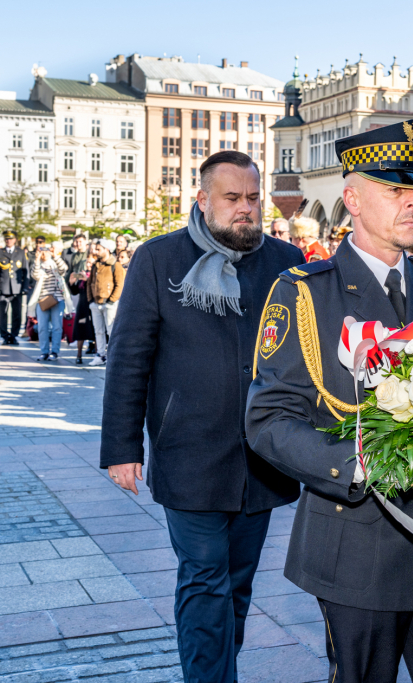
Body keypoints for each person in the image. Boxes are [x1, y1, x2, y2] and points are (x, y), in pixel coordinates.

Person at [246, 120, 413, 683]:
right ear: (353, 199)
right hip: (361, 540)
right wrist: (355, 462)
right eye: (395, 191)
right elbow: (268, 420)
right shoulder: (306, 292)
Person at [101, 150, 304, 683]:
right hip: (188, 452)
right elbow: (129, 358)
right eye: (232, 198)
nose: (245, 208)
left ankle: (218, 671)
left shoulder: (287, 262)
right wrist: (122, 448)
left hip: (263, 459)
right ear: (203, 200)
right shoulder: (158, 259)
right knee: (204, 579)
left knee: (236, 585)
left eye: (253, 198)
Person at [27, 241, 70, 361]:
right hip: (42, 300)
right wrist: (37, 260)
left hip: (57, 299)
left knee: (57, 327)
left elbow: (63, 269)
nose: (44, 253)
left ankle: (55, 352)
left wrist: (55, 256)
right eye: (42, 251)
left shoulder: (56, 263)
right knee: (42, 327)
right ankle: (44, 352)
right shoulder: (39, 264)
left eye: (46, 251)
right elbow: (35, 275)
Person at [86, 240, 124, 367]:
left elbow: (120, 284)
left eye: (99, 249)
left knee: (111, 330)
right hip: (96, 303)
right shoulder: (96, 265)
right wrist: (90, 300)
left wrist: (112, 300)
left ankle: (113, 356)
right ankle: (100, 355)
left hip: (109, 303)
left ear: (106, 249)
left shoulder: (115, 265)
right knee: (98, 331)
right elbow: (89, 282)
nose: (96, 251)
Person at [0, 230, 27, 345]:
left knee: (17, 314)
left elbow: (25, 271)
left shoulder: (20, 252)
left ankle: (14, 336)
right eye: (7, 238)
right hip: (3, 288)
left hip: (17, 288)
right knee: (2, 315)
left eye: (10, 238)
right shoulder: (0, 252)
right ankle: (5, 336)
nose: (8, 240)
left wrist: (25, 287)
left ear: (15, 240)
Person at [69, 255, 95, 365]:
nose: (88, 265)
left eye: (91, 263)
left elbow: (96, 288)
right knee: (80, 330)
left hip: (93, 304)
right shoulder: (83, 274)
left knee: (95, 330)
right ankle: (79, 355)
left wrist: (87, 280)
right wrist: (72, 283)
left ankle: (98, 354)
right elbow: (75, 291)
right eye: (87, 262)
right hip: (82, 305)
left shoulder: (96, 274)